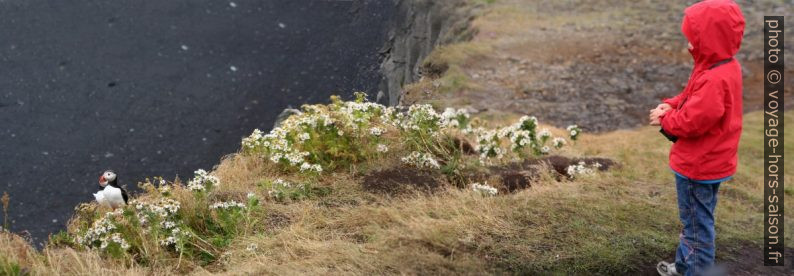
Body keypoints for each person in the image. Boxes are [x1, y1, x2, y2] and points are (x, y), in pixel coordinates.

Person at [648, 0, 745, 275]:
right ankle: (683, 267)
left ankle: (696, 271)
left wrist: (666, 118)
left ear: (710, 40)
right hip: (713, 161)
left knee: (695, 227)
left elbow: (694, 121)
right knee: (697, 220)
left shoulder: (713, 77)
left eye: (693, 39)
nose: (689, 45)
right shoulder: (722, 65)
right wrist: (673, 104)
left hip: (697, 166)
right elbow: (693, 97)